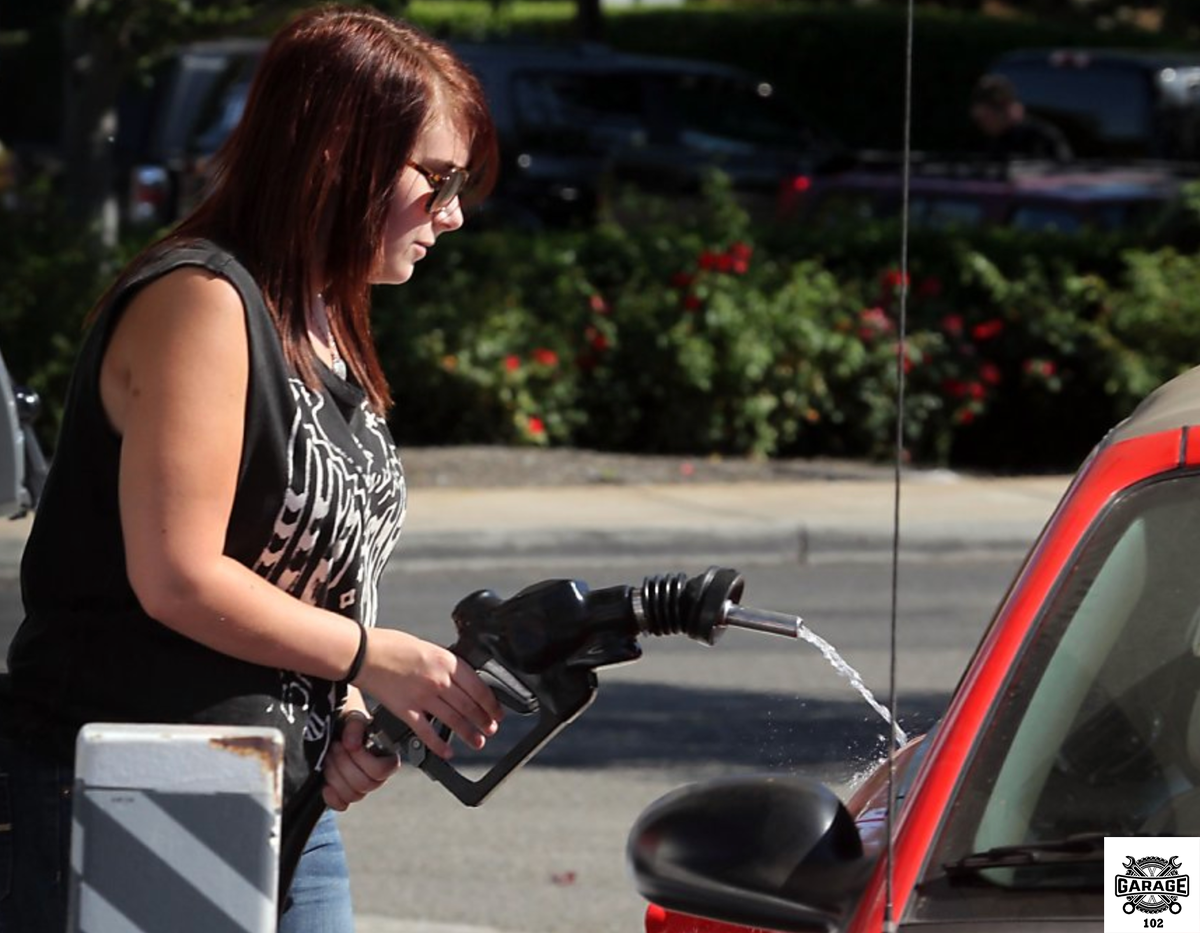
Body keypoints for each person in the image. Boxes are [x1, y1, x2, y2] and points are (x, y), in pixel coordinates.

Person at [0, 6, 505, 932]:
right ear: (336, 151)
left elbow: (309, 581)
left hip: (276, 791)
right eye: (438, 179)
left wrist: (348, 707)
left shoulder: (324, 318)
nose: (455, 214)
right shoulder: (201, 299)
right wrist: (369, 657)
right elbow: (178, 576)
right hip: (128, 789)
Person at [970, 73, 1074, 163]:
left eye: (985, 118)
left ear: (1004, 111)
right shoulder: (992, 141)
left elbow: (1063, 176)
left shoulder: (1043, 139)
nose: (982, 124)